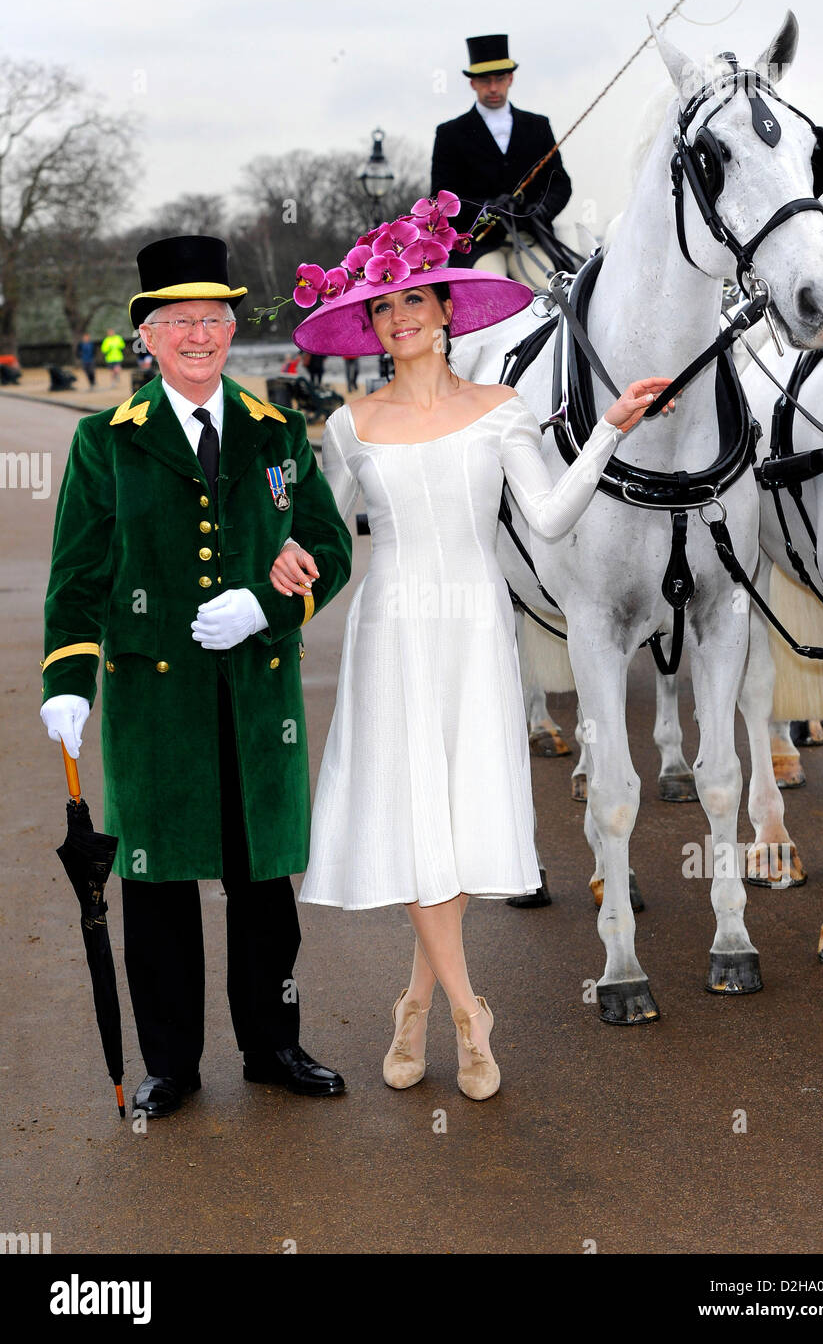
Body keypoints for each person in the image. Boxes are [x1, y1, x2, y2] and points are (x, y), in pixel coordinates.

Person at [270, 200, 673, 1101]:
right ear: (369, 325)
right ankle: (465, 1012)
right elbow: (318, 534)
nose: (400, 315)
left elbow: (549, 515)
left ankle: (414, 1003)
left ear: (448, 311)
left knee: (449, 814)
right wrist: (282, 554)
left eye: (415, 299)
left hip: (474, 623)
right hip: (392, 630)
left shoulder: (502, 410)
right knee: (418, 813)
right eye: (382, 306)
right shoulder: (347, 426)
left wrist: (608, 430)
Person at [40, 235, 352, 1118]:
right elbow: (79, 573)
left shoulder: (276, 429)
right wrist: (68, 681)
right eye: (178, 320)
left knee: (263, 890)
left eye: (213, 318)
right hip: (155, 697)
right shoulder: (108, 442)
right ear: (146, 334)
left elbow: (326, 545)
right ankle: (171, 1063)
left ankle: (273, 1044)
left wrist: (268, 604)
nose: (199, 334)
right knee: (159, 887)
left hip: (256, 698)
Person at [430, 34, 572, 290]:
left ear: (511, 79)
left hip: (530, 238)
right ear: (473, 83)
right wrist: (485, 208)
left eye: (499, 80)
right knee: (492, 292)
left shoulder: (538, 126)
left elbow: (560, 184)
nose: (493, 88)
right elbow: (441, 198)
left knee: (552, 292)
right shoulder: (450, 133)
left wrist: (539, 210)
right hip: (480, 243)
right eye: (485, 81)